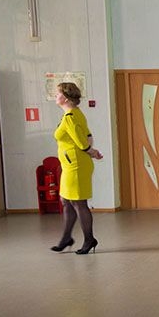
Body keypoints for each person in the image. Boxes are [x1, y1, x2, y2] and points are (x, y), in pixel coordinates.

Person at [50, 82, 103, 255]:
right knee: (66, 201)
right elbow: (88, 135)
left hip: (76, 166)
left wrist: (92, 152)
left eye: (58, 93)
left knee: (79, 203)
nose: (55, 96)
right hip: (71, 165)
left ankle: (89, 239)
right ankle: (66, 238)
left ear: (65, 98)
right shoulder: (75, 113)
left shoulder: (70, 117)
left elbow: (81, 142)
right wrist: (91, 150)